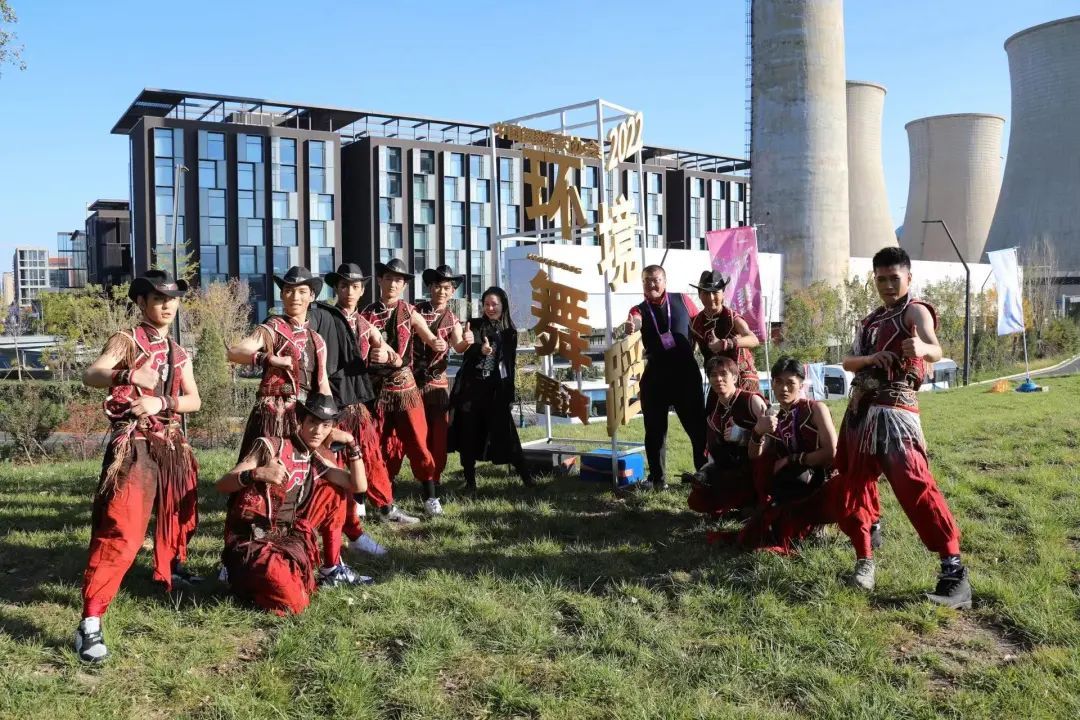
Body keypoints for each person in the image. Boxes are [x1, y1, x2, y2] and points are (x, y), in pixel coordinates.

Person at [74, 270, 202, 664]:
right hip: (135, 446)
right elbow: (91, 374)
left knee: (178, 518)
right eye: (158, 298)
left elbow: (194, 400)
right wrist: (128, 374)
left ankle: (170, 569)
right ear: (142, 302)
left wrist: (161, 402)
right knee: (123, 532)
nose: (167, 305)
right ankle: (90, 623)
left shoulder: (180, 352)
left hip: (171, 445)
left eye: (172, 299)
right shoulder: (126, 340)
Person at [832, 246, 970, 608]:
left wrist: (921, 347)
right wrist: (871, 358)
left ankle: (954, 573)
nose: (888, 285)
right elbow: (848, 361)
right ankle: (866, 553)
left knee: (915, 485)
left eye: (895, 278)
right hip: (860, 411)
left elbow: (936, 349)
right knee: (853, 484)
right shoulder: (869, 320)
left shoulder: (915, 310)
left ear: (908, 277)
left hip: (895, 413)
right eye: (881, 279)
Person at [217, 393, 371, 616]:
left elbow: (358, 486)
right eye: (313, 422)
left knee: (335, 492)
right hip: (252, 539)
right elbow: (223, 484)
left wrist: (352, 443)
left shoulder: (314, 459)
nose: (318, 431)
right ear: (301, 421)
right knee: (294, 602)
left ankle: (327, 569)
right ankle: (239, 576)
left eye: (325, 425)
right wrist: (257, 473)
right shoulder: (270, 446)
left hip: (285, 537)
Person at [308, 262, 391, 557]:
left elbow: (389, 353)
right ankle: (339, 526)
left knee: (368, 457)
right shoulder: (322, 316)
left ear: (362, 290)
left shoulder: (365, 323)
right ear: (336, 288)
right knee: (332, 468)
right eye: (344, 285)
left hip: (356, 402)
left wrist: (385, 355)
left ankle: (378, 508)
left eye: (355, 286)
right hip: (328, 405)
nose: (349, 291)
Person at [361, 258, 447, 518]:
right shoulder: (366, 314)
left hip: (405, 387)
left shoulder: (410, 312)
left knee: (418, 441)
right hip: (376, 390)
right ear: (380, 280)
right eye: (388, 278)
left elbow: (429, 337)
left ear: (404, 285)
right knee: (378, 443)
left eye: (398, 280)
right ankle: (379, 498)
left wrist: (439, 343)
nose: (393, 284)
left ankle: (430, 496)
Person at [226, 266, 332, 462]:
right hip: (273, 416)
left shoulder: (317, 340)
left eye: (302, 291)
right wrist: (269, 358)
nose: (295, 297)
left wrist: (328, 419)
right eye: (289, 291)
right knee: (263, 467)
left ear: (312, 296)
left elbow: (323, 383)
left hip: (305, 418)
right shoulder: (272, 328)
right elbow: (234, 353)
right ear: (282, 295)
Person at [737, 357, 838, 552]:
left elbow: (831, 452)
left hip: (822, 477)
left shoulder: (815, 409)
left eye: (790, 383)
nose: (784, 388)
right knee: (766, 471)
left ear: (801, 384)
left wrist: (791, 459)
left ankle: (816, 523)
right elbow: (754, 456)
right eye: (778, 382)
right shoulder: (776, 418)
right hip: (793, 478)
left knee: (794, 478)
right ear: (772, 384)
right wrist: (757, 432)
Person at [623, 265, 707, 491]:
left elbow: (699, 324)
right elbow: (636, 321)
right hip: (656, 376)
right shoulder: (639, 309)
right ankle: (657, 479)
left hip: (686, 375)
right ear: (643, 284)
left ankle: (704, 474)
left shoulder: (682, 300)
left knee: (698, 428)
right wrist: (631, 326)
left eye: (656, 279)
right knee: (654, 431)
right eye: (647, 280)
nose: (652, 284)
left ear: (665, 281)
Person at [447, 286, 535, 490]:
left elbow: (510, 365)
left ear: (503, 305)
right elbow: (467, 350)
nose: (490, 308)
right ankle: (470, 482)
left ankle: (527, 478)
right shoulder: (475, 325)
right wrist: (480, 349)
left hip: (496, 392)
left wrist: (509, 393)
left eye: (494, 304)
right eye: (486, 304)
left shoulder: (510, 332)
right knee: (468, 434)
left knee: (507, 434)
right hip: (471, 389)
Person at [414, 265, 474, 490]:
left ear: (452, 291)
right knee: (416, 433)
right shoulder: (414, 311)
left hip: (437, 383)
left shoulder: (452, 319)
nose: (442, 291)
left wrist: (467, 341)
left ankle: (435, 477)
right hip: (411, 382)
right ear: (430, 287)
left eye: (446, 288)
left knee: (439, 434)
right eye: (437, 286)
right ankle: (421, 474)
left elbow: (458, 346)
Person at [685, 355, 767, 518]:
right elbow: (713, 453)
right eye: (713, 375)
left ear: (735, 378)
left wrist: (744, 435)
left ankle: (757, 504)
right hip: (733, 467)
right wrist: (704, 473)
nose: (718, 379)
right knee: (697, 500)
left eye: (723, 374)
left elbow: (774, 437)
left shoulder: (751, 401)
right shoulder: (713, 415)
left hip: (759, 464)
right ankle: (738, 505)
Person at [688, 270, 761, 411]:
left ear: (723, 293)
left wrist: (726, 344)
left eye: (715, 292)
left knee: (746, 417)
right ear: (699, 295)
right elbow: (690, 351)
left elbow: (753, 339)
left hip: (741, 378)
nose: (711, 298)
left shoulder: (732, 317)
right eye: (706, 293)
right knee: (711, 418)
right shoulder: (695, 323)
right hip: (718, 380)